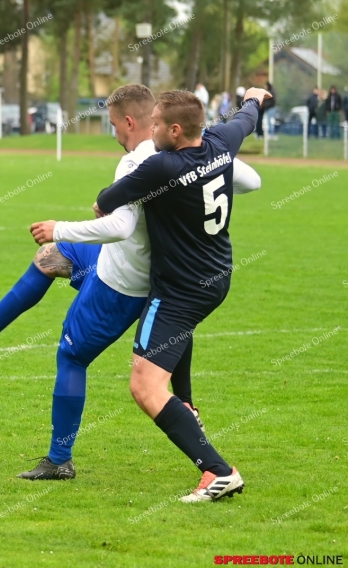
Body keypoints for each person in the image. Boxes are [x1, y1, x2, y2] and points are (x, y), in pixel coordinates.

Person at [0, 84, 261, 480]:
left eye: (113, 124)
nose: (113, 132)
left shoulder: (141, 164)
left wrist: (60, 227)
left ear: (130, 122)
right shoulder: (198, 150)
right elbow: (250, 180)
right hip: (141, 265)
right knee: (49, 258)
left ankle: (60, 460)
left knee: (72, 356)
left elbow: (120, 225)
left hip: (123, 282)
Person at [93, 87, 271, 502]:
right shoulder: (220, 142)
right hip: (215, 277)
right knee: (166, 359)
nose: (150, 129)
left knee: (145, 386)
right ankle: (187, 405)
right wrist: (254, 98)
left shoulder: (162, 166)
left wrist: (102, 205)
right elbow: (246, 119)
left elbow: (107, 200)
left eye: (156, 124)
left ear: (175, 130)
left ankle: (218, 472)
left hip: (179, 289)